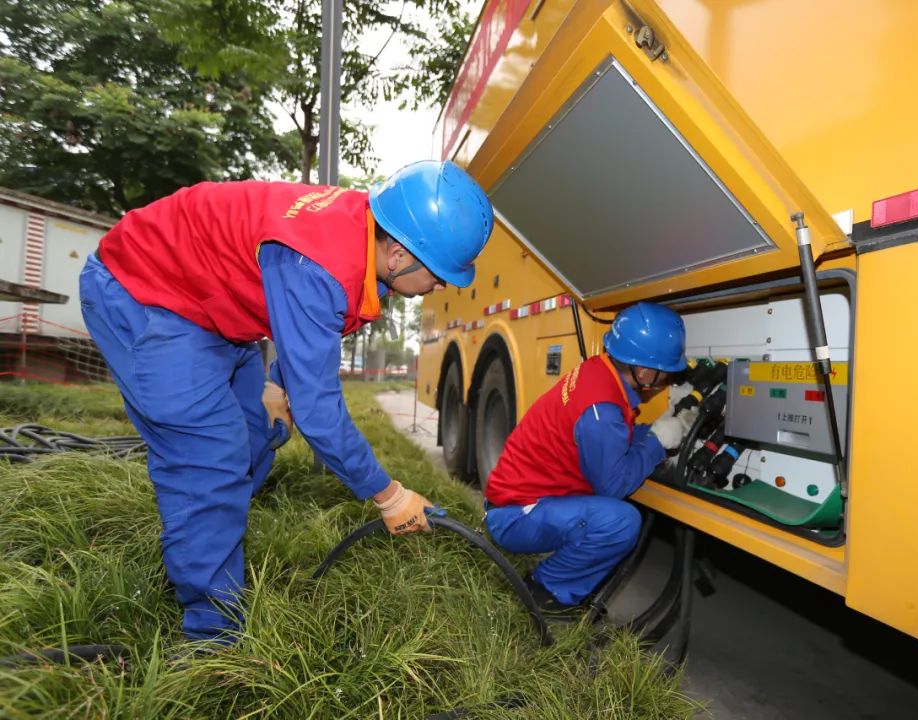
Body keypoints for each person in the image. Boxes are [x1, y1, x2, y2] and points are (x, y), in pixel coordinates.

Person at [79, 160, 494, 643]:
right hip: (143, 292)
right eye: (440, 274)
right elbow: (319, 412)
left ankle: (209, 536)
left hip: (210, 303)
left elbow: (304, 329)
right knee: (210, 458)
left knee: (258, 430)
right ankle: (214, 636)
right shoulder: (319, 263)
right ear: (400, 255)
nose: (442, 285)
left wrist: (279, 382)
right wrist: (388, 495)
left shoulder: (361, 236)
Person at [483, 302, 692, 613]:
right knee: (620, 522)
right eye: (666, 373)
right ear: (645, 371)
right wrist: (658, 444)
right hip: (514, 517)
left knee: (613, 516)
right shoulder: (602, 411)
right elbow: (614, 485)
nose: (667, 381)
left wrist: (652, 433)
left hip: (513, 504)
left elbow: (612, 437)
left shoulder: (597, 373)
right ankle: (546, 591)